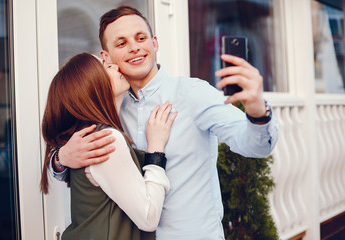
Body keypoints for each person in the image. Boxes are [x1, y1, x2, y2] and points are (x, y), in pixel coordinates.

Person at [51, 6, 279, 239]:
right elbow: (85, 172)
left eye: (141, 38)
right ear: (105, 57)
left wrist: (258, 112)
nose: (134, 47)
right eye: (121, 43)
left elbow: (255, 146)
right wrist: (60, 159)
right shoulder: (110, 110)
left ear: (155, 43)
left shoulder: (193, 94)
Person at [40, 52, 177, 240]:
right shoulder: (105, 138)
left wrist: (59, 158)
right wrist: (156, 149)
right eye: (105, 66)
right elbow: (148, 217)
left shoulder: (91, 134)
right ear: (91, 85)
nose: (114, 65)